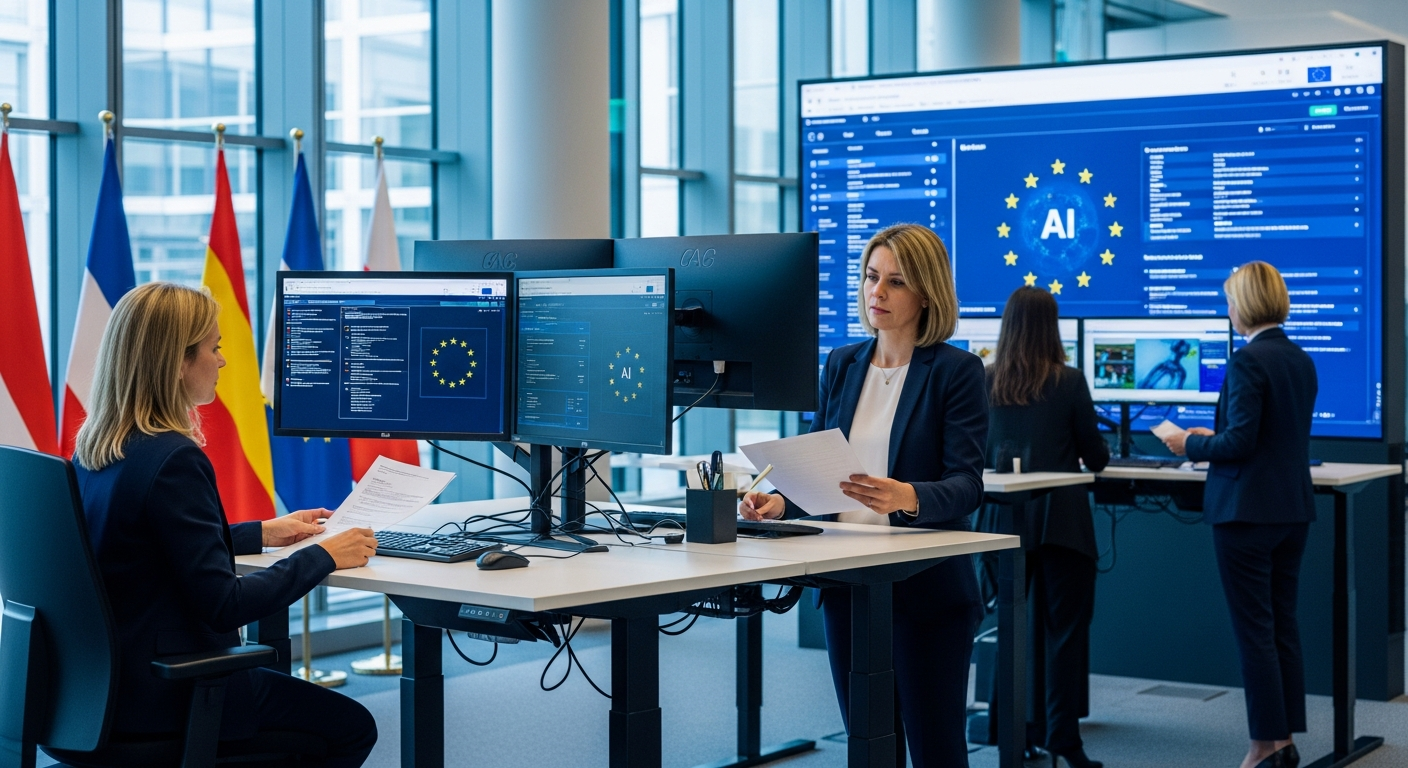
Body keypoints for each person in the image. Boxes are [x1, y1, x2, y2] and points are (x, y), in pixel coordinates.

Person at [71, 282, 379, 767]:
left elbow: (138, 544)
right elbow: (224, 605)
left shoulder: (98, 447)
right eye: (213, 348)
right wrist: (323, 555)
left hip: (94, 696)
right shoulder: (174, 458)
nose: (223, 361)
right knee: (353, 728)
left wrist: (258, 533)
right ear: (176, 361)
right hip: (172, 692)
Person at [740, 223, 987, 767]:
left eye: (895, 282)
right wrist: (780, 501)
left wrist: (907, 495)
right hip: (850, 584)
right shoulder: (842, 363)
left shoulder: (957, 372)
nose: (878, 292)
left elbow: (968, 486)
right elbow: (820, 472)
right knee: (869, 744)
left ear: (927, 293)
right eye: (872, 277)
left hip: (925, 588)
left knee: (935, 749)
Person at [1160, 261, 1316, 768]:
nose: (1226, 310)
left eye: (1229, 300)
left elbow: (1241, 443)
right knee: (1281, 627)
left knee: (1255, 633)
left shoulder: (1249, 361)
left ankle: (1262, 748)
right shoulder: (1298, 358)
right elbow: (1268, 435)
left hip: (1246, 514)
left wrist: (1191, 442)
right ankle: (1286, 742)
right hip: (1291, 510)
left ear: (1244, 303)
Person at [980, 287, 1109, 768]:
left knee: (1010, 628)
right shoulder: (1069, 381)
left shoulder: (986, 380)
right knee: (1065, 634)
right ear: (1052, 328)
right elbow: (1095, 458)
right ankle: (1064, 741)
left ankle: (1010, 734)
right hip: (1062, 523)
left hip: (1001, 524)